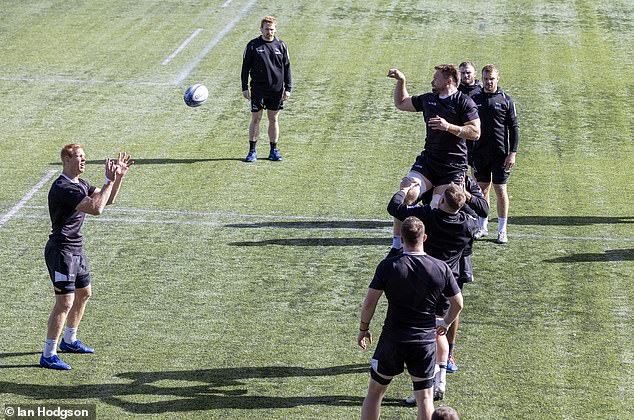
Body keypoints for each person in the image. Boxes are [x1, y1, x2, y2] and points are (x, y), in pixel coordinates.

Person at [357, 216, 463, 420]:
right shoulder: (440, 267)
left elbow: (370, 302)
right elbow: (458, 303)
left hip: (393, 338)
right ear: (424, 237)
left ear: (402, 239)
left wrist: (364, 328)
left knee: (375, 393)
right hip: (424, 341)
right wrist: (446, 323)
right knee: (425, 397)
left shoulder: (388, 266)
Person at [40, 144, 133, 370]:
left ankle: (69, 341)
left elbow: (106, 201)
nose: (84, 161)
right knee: (65, 302)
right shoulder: (63, 186)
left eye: (84, 157)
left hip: (76, 249)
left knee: (84, 294)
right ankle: (48, 354)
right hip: (61, 251)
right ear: (66, 159)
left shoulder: (79, 184)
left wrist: (117, 178)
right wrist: (108, 181)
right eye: (79, 157)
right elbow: (95, 209)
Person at [388, 182, 478, 402]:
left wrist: (406, 190)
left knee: (424, 335)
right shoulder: (468, 225)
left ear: (442, 201)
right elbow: (478, 212)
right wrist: (465, 198)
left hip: (424, 279)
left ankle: (424, 386)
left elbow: (395, 208)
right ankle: (441, 380)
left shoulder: (429, 216)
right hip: (448, 281)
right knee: (439, 329)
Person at [386, 65, 480, 257]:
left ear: (449, 81)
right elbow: (401, 103)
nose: (431, 81)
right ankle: (397, 245)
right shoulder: (429, 99)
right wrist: (401, 81)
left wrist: (449, 127)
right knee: (407, 195)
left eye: (435, 78)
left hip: (453, 167)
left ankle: (428, 251)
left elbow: (475, 132)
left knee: (438, 208)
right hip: (429, 162)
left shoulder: (464, 102)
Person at [416, 176, 489, 374]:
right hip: (436, 255)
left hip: (460, 258)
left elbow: (485, 209)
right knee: (430, 306)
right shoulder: (433, 178)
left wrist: (465, 197)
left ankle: (447, 353)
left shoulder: (467, 182)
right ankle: (425, 350)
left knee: (452, 305)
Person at [471, 64, 519, 244]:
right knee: (482, 191)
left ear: (498, 79)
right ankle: (482, 227)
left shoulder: (506, 100)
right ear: (482, 79)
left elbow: (514, 129)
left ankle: (502, 230)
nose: (489, 82)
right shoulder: (474, 99)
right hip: (480, 154)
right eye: (485, 79)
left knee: (500, 191)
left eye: (491, 79)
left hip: (500, 155)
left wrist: (512, 153)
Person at [241, 15, 292, 162]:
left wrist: (288, 88)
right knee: (256, 118)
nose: (269, 32)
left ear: (275, 29)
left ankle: (273, 150)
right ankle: (252, 151)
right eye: (266, 29)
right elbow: (245, 68)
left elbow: (287, 68)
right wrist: (244, 87)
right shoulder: (253, 45)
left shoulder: (281, 46)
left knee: (273, 119)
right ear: (261, 29)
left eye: (272, 29)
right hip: (258, 89)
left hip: (276, 90)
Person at [457, 61, 483, 176]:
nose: (465, 75)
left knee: (478, 180)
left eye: (468, 72)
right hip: (458, 138)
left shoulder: (481, 92)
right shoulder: (455, 91)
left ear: (475, 73)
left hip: (477, 141)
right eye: (462, 73)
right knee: (458, 177)